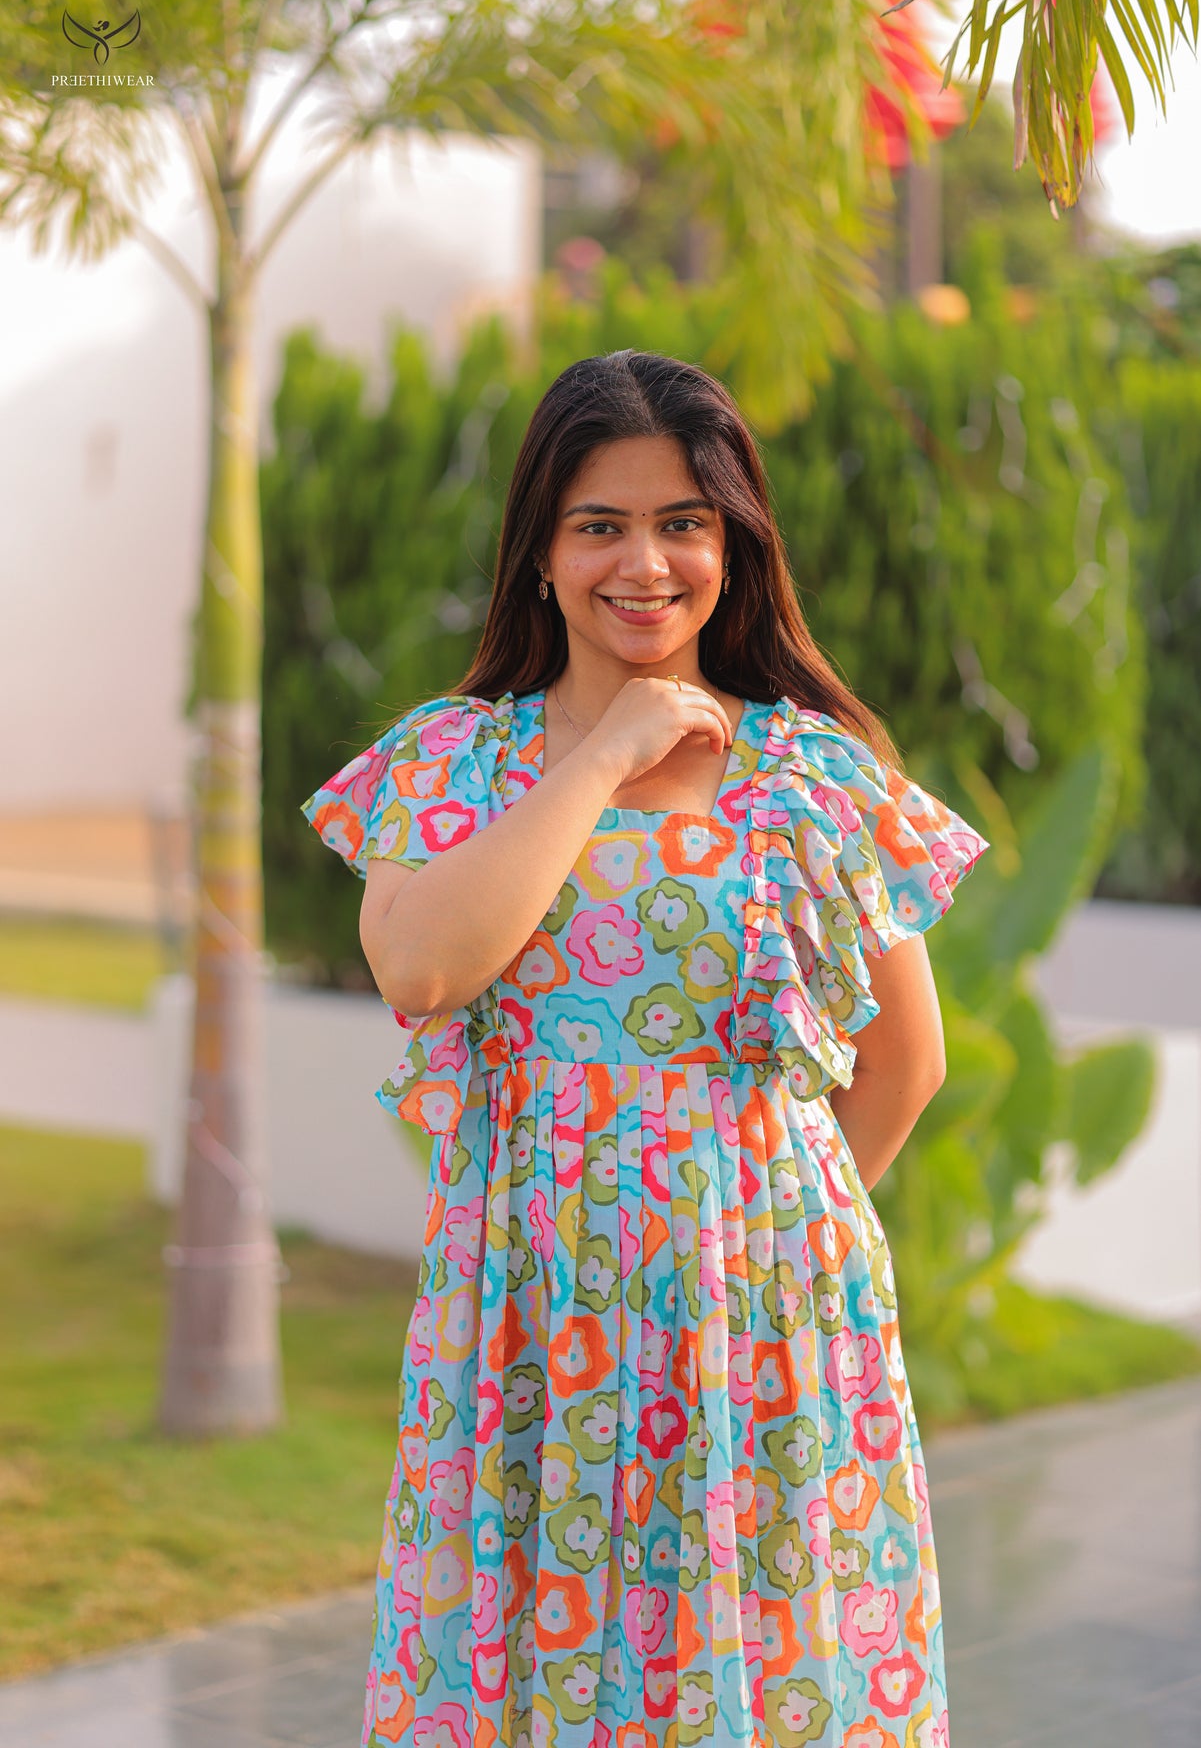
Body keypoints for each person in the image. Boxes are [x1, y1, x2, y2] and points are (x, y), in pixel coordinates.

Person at [301, 348, 989, 1748]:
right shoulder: (455, 762)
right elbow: (423, 966)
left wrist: (751, 1249)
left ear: (734, 544)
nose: (645, 563)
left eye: (684, 523)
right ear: (540, 554)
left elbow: (904, 1063)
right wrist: (605, 756)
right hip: (528, 1319)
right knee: (528, 1658)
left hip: (765, 1315)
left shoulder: (812, 773)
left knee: (762, 1670)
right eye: (598, 525)